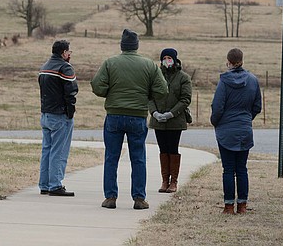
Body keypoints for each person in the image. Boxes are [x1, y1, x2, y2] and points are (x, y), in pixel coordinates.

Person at [91, 29, 168, 210]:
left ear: (122, 45)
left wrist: (111, 93)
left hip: (114, 115)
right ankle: (139, 198)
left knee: (111, 157)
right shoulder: (149, 65)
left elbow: (97, 86)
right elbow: (162, 90)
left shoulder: (110, 63)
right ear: (137, 45)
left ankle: (110, 197)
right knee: (138, 158)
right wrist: (146, 95)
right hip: (138, 115)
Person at [211, 48, 262, 215]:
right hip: (245, 129)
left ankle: (228, 205)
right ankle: (242, 205)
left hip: (226, 130)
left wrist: (215, 122)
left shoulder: (224, 82)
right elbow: (257, 106)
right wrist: (246, 118)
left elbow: (218, 107)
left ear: (228, 61)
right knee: (242, 168)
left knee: (228, 169)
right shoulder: (253, 80)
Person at [38, 40, 79, 196]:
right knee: (59, 151)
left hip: (45, 113)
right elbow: (71, 92)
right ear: (63, 53)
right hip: (60, 115)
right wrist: (70, 112)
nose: (69, 55)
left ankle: (44, 184)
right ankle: (55, 185)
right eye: (69, 52)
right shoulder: (65, 68)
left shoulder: (44, 67)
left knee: (47, 150)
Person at [148, 48, 192, 193]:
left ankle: (174, 181)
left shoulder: (183, 77)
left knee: (173, 149)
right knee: (163, 149)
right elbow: (149, 96)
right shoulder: (156, 75)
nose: (167, 60)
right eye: (164, 58)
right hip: (158, 120)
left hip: (175, 120)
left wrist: (171, 114)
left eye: (169, 58)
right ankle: (164, 180)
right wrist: (154, 113)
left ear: (175, 59)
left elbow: (185, 99)